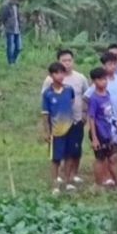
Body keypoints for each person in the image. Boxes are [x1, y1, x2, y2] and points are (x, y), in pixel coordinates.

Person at [41, 49, 89, 184]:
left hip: (76, 120)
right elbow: (45, 104)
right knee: (58, 152)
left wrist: (85, 113)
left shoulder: (80, 78)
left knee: (75, 149)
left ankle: (73, 174)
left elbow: (85, 96)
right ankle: (58, 177)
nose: (67, 63)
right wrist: (47, 127)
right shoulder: (49, 81)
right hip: (57, 124)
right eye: (64, 61)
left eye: (69, 60)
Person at [84, 52, 117, 186]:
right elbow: (91, 118)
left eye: (105, 79)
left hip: (110, 131)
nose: (104, 82)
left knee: (113, 157)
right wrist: (95, 138)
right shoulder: (94, 98)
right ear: (94, 82)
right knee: (100, 159)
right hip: (99, 132)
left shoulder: (107, 93)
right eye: (100, 80)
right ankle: (98, 183)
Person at [42, 62, 76, 194]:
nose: (60, 75)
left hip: (70, 129)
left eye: (62, 72)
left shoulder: (69, 90)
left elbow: (71, 103)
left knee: (69, 157)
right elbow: (45, 115)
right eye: (57, 73)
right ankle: (55, 184)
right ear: (51, 75)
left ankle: (67, 181)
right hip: (56, 132)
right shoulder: (47, 94)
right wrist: (47, 132)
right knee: (55, 159)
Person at [0, 0, 22, 65]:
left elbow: (18, 16)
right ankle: (10, 62)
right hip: (10, 28)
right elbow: (3, 17)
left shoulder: (17, 4)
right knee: (10, 46)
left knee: (19, 47)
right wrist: (6, 25)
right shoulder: (6, 5)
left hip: (17, 28)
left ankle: (13, 60)